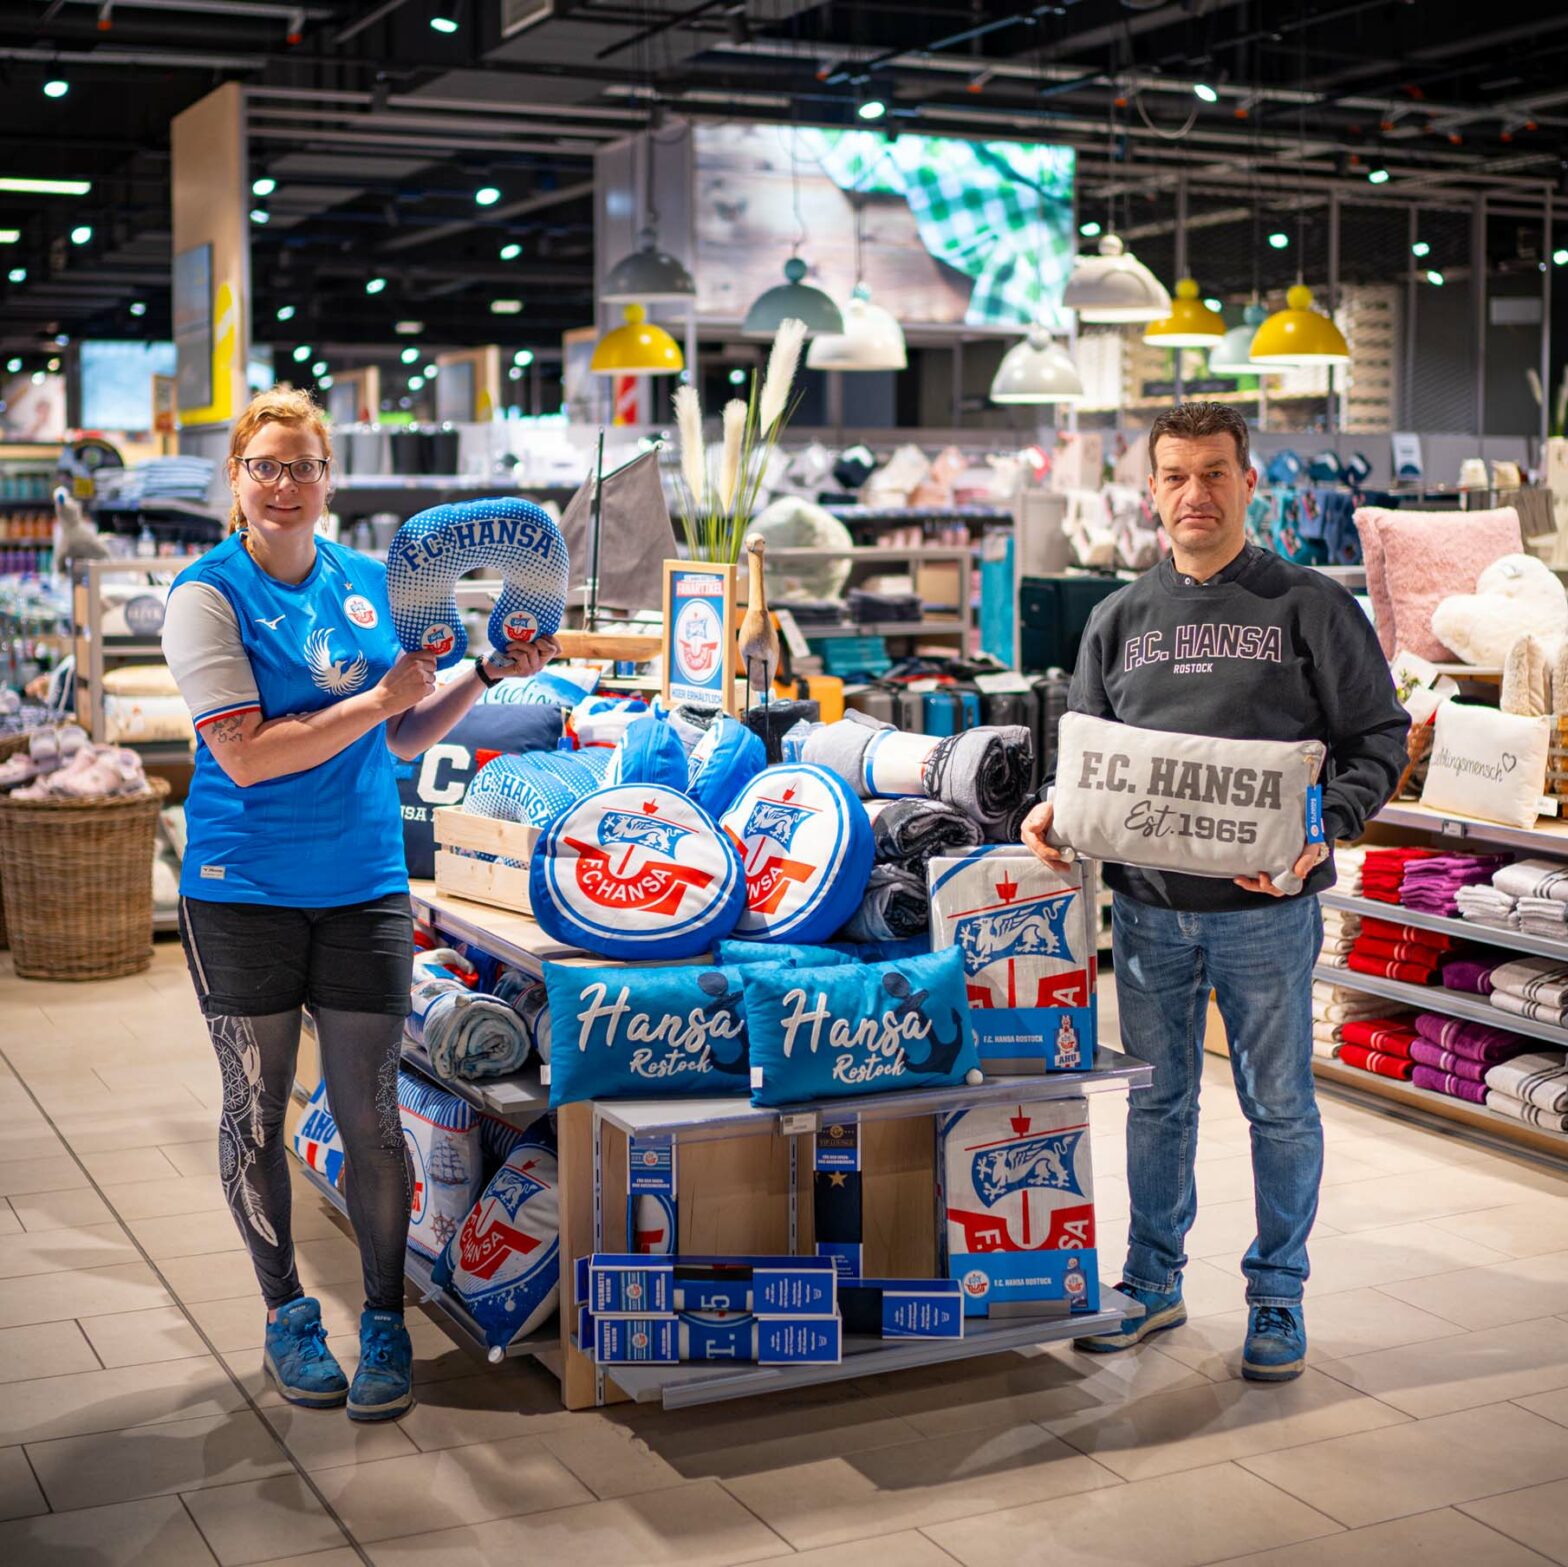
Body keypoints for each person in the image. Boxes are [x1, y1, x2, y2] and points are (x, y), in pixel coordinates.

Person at [163, 386, 557, 1421]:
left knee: (371, 1116)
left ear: (327, 477)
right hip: (241, 887)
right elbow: (243, 755)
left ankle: (384, 1317)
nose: (283, 485)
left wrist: (480, 671)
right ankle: (287, 1310)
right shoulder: (207, 595)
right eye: (264, 467)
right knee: (254, 1111)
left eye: (301, 466)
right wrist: (377, 700)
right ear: (236, 481)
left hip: (365, 882)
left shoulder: (365, 585)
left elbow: (396, 738)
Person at [1020, 402, 1408, 1381]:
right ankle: (1150, 1286)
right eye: (1175, 476)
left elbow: (1378, 741)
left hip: (1265, 914)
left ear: (1247, 483)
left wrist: (1325, 826)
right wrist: (1051, 812)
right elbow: (1092, 764)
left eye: (1213, 473)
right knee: (1157, 1109)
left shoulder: (1307, 606)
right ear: (1152, 490)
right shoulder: (1118, 620)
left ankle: (1275, 1297)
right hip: (1146, 914)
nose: (1194, 493)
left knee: (1276, 1107)